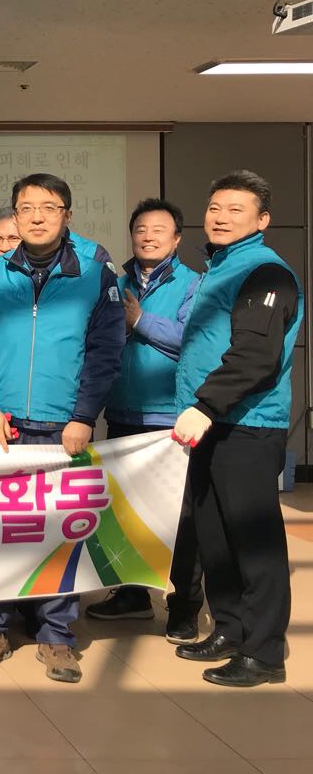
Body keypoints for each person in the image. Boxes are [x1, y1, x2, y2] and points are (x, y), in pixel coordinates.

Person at [0, 173, 125, 684]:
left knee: (59, 533)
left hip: (62, 426)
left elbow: (105, 350)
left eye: (48, 208)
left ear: (66, 216)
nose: (36, 217)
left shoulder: (95, 273)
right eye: (26, 207)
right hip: (0, 425)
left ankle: (57, 636)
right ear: (14, 213)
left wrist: (83, 415)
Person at [171, 170, 303, 688]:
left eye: (235, 210)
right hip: (211, 426)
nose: (220, 217)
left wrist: (205, 405)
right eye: (214, 207)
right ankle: (229, 629)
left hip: (247, 426)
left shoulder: (265, 272)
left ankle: (264, 652)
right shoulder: (219, 268)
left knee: (254, 542)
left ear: (262, 220)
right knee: (215, 537)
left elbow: (256, 355)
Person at [86, 199, 204, 638]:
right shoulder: (113, 283)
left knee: (180, 517)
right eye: (140, 229)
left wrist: (139, 321)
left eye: (159, 229)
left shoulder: (195, 284)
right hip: (122, 412)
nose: (148, 236)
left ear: (177, 238)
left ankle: (184, 605)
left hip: (172, 417)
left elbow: (194, 341)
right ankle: (132, 596)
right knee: (126, 513)